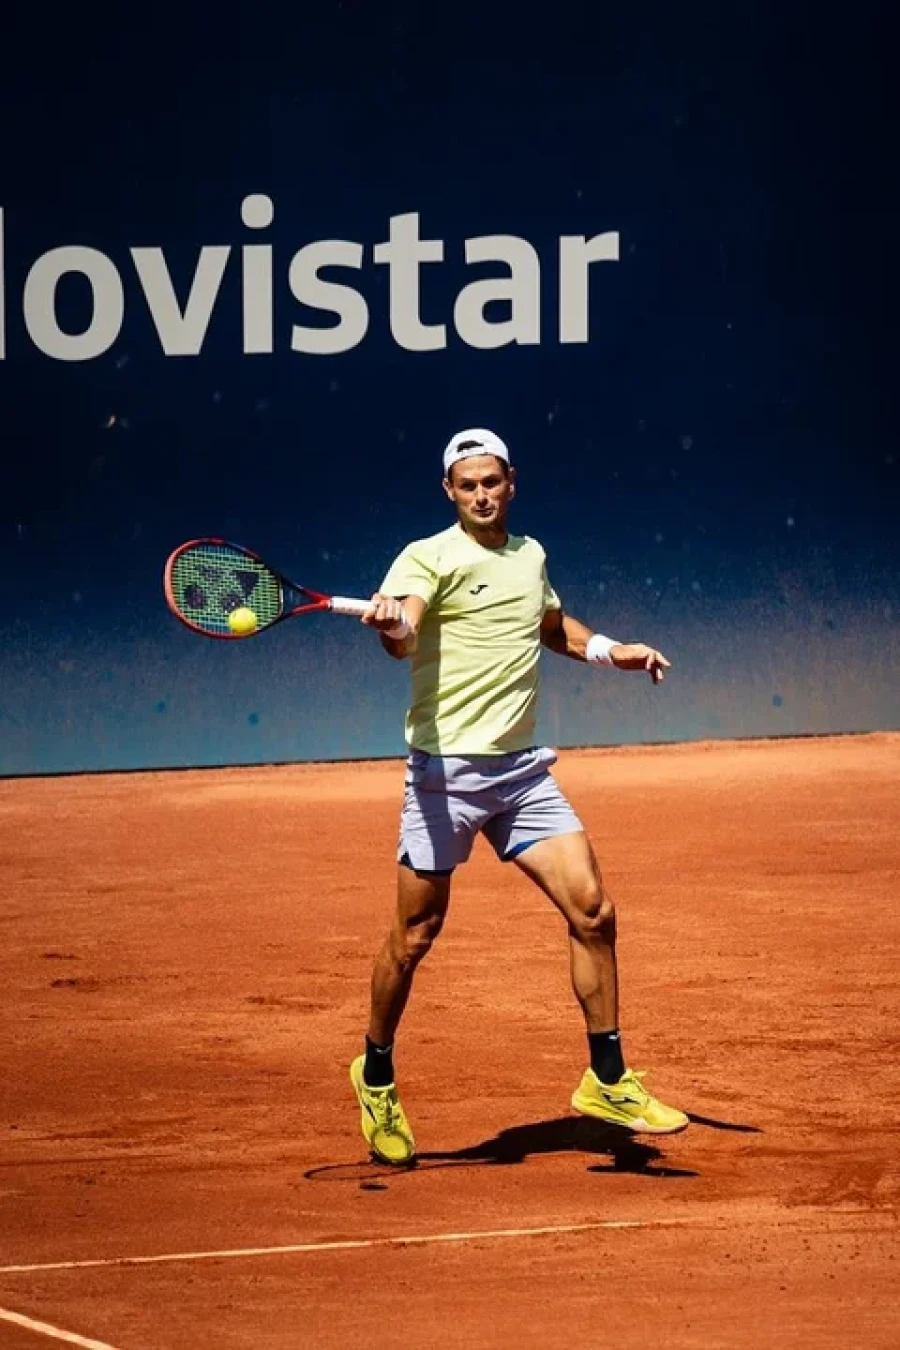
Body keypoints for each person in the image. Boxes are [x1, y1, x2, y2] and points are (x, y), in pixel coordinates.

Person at [350, 428, 688, 1165]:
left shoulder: (529, 555)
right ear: (449, 490)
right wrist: (391, 627)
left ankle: (606, 1077)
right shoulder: (425, 557)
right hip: (446, 778)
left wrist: (609, 650)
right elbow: (406, 627)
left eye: (491, 482)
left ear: (511, 483)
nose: (479, 494)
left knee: (594, 910)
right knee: (414, 937)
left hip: (522, 776)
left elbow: (549, 626)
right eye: (466, 484)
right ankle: (375, 1073)